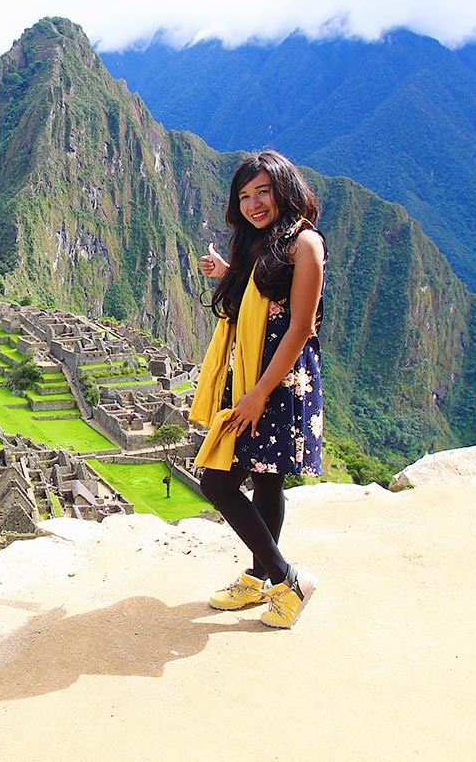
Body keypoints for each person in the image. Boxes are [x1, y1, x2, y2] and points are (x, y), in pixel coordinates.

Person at [191, 150, 325, 629]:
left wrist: (259, 395)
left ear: (285, 189)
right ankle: (257, 578)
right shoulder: (263, 244)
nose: (253, 203)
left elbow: (300, 327)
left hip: (278, 381)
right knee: (267, 479)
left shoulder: (304, 243)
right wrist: (227, 272)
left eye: (263, 192)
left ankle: (288, 579)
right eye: (245, 195)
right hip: (251, 373)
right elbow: (262, 298)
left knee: (217, 480)